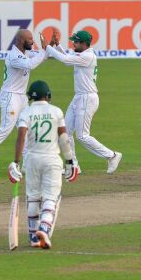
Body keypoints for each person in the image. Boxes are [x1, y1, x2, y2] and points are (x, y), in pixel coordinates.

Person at [8, 80, 79, 249]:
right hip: (52, 159)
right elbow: (63, 138)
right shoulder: (56, 111)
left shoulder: (26, 112)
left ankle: (34, 237)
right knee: (51, 198)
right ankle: (44, 229)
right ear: (48, 96)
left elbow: (21, 138)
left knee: (33, 197)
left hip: (32, 160)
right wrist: (70, 161)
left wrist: (15, 163)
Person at [0, 29, 47, 174]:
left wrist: (49, 47)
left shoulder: (26, 53)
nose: (33, 42)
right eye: (30, 39)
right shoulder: (14, 56)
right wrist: (44, 51)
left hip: (21, 97)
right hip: (10, 97)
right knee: (6, 128)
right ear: (21, 41)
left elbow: (42, 57)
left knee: (26, 129)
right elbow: (31, 65)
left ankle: (27, 164)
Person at [45, 30, 122, 174]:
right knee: (65, 132)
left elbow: (66, 60)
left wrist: (48, 47)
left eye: (76, 41)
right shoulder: (82, 55)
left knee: (82, 136)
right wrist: (57, 45)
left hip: (87, 98)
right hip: (79, 97)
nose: (73, 43)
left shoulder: (88, 56)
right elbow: (69, 58)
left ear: (84, 44)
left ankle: (112, 155)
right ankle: (73, 166)